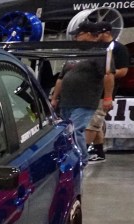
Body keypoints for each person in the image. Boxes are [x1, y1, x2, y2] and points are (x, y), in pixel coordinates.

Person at [50, 21, 114, 163]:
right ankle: (69, 158)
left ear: (90, 35)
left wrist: (108, 97)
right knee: (66, 130)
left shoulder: (101, 52)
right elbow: (61, 78)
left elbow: (108, 75)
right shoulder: (74, 53)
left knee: (76, 130)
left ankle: (81, 160)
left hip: (85, 101)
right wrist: (54, 98)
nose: (75, 38)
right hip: (66, 101)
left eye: (78, 35)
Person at [86, 20, 130, 162]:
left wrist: (106, 73)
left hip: (104, 91)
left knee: (93, 122)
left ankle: (84, 151)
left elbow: (123, 71)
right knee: (96, 123)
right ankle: (98, 151)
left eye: (97, 34)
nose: (95, 36)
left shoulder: (118, 49)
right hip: (92, 90)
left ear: (107, 33)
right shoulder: (97, 49)